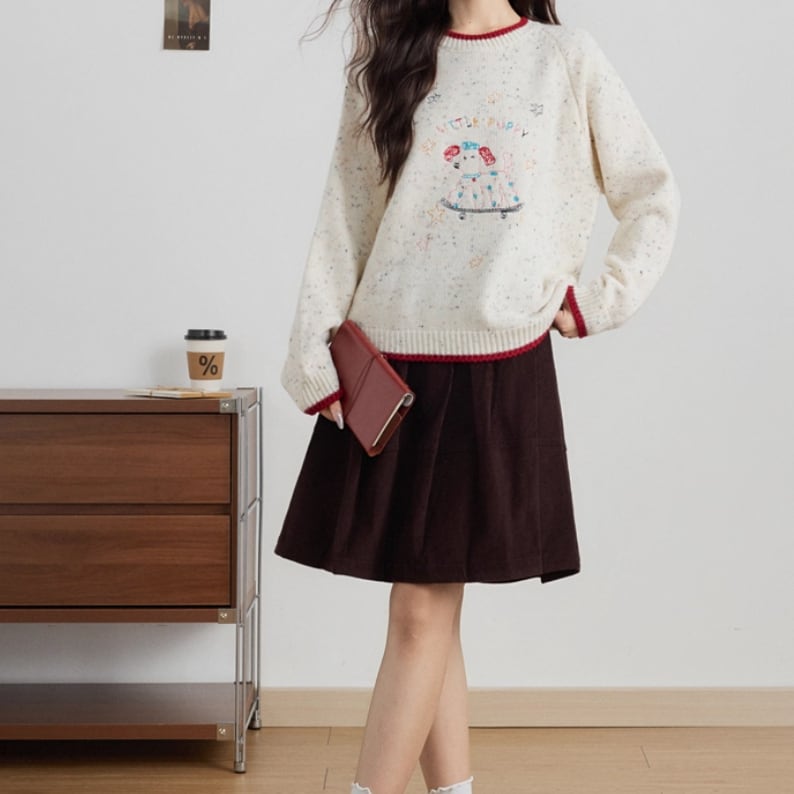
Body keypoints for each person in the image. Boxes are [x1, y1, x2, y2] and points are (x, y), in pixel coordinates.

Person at [274, 0, 680, 792]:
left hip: (497, 366)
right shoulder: (391, 63)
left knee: (421, 611)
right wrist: (313, 356)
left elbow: (652, 194)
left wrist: (599, 300)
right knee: (430, 613)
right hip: (391, 373)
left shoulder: (566, 59)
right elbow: (345, 219)